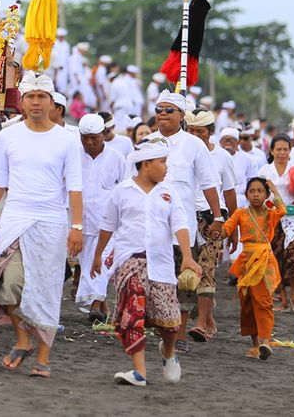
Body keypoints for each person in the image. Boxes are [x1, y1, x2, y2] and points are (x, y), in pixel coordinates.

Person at [0, 72, 83, 379]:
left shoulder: (67, 140)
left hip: (50, 224)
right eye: (30, 96)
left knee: (44, 289)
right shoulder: (7, 136)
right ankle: (22, 338)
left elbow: (75, 186)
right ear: (22, 100)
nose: (34, 102)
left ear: (52, 102)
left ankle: (43, 356)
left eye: (41, 97)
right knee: (7, 282)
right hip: (14, 219)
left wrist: (77, 227)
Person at [94, 139, 200, 386]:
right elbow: (107, 225)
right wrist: (98, 255)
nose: (166, 168)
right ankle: (139, 372)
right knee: (132, 315)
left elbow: (180, 225)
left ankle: (169, 352)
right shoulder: (122, 191)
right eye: (162, 162)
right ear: (146, 164)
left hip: (161, 263)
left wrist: (187, 256)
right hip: (129, 261)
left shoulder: (169, 192)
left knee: (170, 322)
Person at [148, 90, 221, 354]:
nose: (162, 115)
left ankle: (179, 335)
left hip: (183, 228)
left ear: (181, 115)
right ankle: (161, 328)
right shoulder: (147, 143)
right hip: (151, 227)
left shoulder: (193, 145)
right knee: (155, 279)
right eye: (159, 109)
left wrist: (218, 216)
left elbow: (210, 182)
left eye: (169, 110)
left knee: (185, 282)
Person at [183, 109, 236, 341]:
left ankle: (201, 323)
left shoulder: (223, 157)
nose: (195, 135)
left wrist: (234, 226)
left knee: (207, 268)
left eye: (200, 131)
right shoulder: (180, 151)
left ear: (211, 132)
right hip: (184, 217)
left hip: (214, 219)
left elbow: (230, 192)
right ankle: (207, 317)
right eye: (191, 130)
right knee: (187, 270)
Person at [221, 177, 287, 360]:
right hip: (246, 262)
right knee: (248, 304)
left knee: (264, 301)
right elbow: (227, 228)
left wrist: (274, 189)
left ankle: (266, 341)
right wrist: (217, 233)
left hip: (264, 261)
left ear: (266, 194)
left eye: (260, 191)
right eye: (252, 191)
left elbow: (283, 209)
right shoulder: (241, 213)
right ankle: (255, 344)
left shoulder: (270, 213)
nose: (256, 194)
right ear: (246, 194)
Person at [74, 113, 125, 321]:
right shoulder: (74, 156)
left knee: (101, 262)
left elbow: (124, 190)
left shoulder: (116, 158)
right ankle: (103, 307)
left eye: (94, 137)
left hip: (108, 225)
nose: (89, 142)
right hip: (80, 223)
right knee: (87, 263)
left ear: (103, 135)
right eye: (84, 137)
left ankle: (95, 305)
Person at [259, 134, 294, 313]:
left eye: (285, 149)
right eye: (278, 149)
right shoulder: (265, 170)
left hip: (293, 218)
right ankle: (283, 298)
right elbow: (259, 194)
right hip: (272, 218)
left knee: (293, 255)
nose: (281, 152)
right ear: (272, 151)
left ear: (290, 151)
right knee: (276, 257)